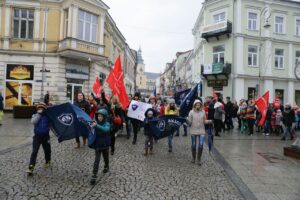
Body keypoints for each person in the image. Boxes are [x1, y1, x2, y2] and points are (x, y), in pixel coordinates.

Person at [26, 102, 51, 175]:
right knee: (34, 151)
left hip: (46, 136)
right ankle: (31, 166)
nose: (40, 110)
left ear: (44, 109)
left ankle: (48, 160)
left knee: (47, 150)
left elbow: (52, 123)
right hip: (37, 137)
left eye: (41, 109)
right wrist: (39, 115)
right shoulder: (35, 115)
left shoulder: (47, 116)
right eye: (38, 109)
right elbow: (33, 122)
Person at [188, 99, 212, 165]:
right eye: (197, 105)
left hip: (201, 131)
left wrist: (210, 121)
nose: (198, 106)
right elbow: (189, 123)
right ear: (194, 105)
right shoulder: (191, 112)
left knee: (201, 145)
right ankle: (193, 158)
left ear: (201, 105)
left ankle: (199, 159)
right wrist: (187, 121)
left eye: (199, 105)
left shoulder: (203, 112)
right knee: (193, 145)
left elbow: (205, 121)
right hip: (193, 130)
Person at [90, 109, 111, 185]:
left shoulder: (107, 123)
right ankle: (94, 175)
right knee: (97, 160)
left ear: (104, 117)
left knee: (106, 157)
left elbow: (106, 130)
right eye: (98, 116)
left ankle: (106, 166)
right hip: (98, 145)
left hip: (105, 145)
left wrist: (96, 126)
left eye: (101, 116)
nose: (99, 117)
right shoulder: (94, 123)